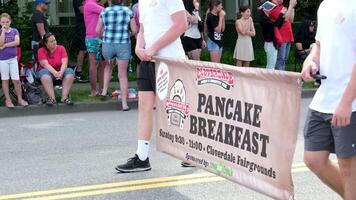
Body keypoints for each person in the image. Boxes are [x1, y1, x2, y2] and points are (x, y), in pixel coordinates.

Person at [115, 0, 187, 173]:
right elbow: (143, 30)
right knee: (144, 106)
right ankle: (142, 157)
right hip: (148, 60)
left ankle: (190, 153)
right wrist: (139, 46)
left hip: (171, 60)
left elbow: (181, 25)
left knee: (178, 109)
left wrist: (153, 47)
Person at [301, 1, 356, 199]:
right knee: (313, 158)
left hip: (350, 101)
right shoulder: (325, 5)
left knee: (349, 169)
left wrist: (347, 102)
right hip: (324, 98)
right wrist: (311, 61)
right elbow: (319, 45)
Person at [96, 0, 138, 110]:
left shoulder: (104, 11)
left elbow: (97, 30)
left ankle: (104, 91)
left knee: (108, 66)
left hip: (108, 44)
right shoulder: (127, 11)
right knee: (122, 75)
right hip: (123, 44)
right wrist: (128, 34)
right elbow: (134, 30)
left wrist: (103, 36)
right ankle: (124, 104)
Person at [36, 32, 75, 106]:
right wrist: (55, 73)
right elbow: (45, 64)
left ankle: (64, 97)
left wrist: (61, 72)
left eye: (55, 40)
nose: (54, 43)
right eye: (51, 41)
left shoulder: (61, 48)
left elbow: (64, 63)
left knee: (70, 72)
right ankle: (52, 98)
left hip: (60, 70)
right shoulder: (41, 50)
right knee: (45, 74)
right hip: (47, 71)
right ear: (46, 43)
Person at [0, 13, 28, 108]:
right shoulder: (0, 31)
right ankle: (8, 100)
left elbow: (17, 42)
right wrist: (3, 32)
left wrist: (6, 45)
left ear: (10, 22)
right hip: (3, 60)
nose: (5, 23)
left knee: (16, 79)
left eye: (7, 22)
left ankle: (20, 99)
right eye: (3, 22)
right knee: (5, 79)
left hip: (13, 59)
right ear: (0, 22)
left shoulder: (15, 31)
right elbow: (0, 43)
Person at [84, 0, 105, 97]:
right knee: (94, 65)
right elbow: (106, 12)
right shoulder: (90, 4)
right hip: (93, 38)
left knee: (102, 65)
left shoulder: (92, 4)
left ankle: (101, 90)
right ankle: (94, 90)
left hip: (98, 37)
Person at [269, 0, 297, 71]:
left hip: (288, 36)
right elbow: (285, 18)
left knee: (284, 59)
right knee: (281, 58)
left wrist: (292, 7)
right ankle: (279, 77)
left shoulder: (282, 7)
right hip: (281, 37)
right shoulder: (273, 7)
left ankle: (281, 75)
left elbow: (291, 20)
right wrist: (290, 6)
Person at [259, 1, 284, 70]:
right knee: (271, 65)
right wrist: (281, 14)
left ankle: (268, 79)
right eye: (269, 7)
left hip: (272, 43)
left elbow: (278, 26)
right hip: (270, 44)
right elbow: (275, 24)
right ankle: (268, 80)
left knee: (271, 64)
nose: (271, 9)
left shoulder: (267, 18)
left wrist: (282, 16)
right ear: (264, 9)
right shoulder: (264, 19)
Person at [72, 0, 88, 82]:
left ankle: (91, 71)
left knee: (89, 49)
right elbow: (82, 10)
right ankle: (78, 72)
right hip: (82, 26)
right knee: (83, 48)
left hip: (89, 24)